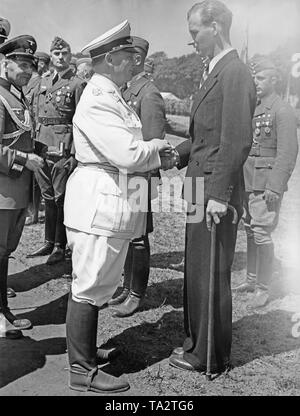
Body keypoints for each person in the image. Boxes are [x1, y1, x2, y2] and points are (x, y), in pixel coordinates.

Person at [63, 20, 172, 393]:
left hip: (107, 200)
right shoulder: (98, 99)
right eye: (128, 57)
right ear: (111, 59)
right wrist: (159, 150)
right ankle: (82, 370)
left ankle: (87, 356)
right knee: (90, 285)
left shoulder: (111, 95)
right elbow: (128, 153)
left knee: (98, 284)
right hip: (98, 200)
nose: (134, 63)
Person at [167, 0, 256, 374]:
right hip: (199, 186)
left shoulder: (234, 72)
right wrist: (177, 154)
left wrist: (219, 195)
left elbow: (235, 140)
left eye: (195, 34)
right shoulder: (215, 71)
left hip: (213, 192)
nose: (193, 42)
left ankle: (210, 355)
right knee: (198, 269)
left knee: (212, 272)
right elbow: (206, 136)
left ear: (215, 26)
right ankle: (196, 343)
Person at [233, 57, 298, 308]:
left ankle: (263, 287)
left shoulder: (282, 110)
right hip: (249, 181)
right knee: (251, 229)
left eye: (260, 78)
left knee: (261, 233)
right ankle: (251, 278)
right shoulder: (256, 108)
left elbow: (287, 153)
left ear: (274, 80)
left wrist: (275, 186)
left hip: (266, 185)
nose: (256, 83)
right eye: (254, 78)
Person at [108, 36, 166, 317]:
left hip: (141, 175)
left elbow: (154, 141)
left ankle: (135, 294)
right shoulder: (127, 89)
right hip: (126, 172)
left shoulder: (149, 93)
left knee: (139, 237)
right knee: (128, 233)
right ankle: (126, 287)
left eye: (126, 56)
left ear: (137, 59)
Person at [0, 35, 44, 339]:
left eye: (31, 64)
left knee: (4, 254)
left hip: (15, 193)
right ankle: (2, 315)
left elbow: (20, 136)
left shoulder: (17, 95)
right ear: (6, 62)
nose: (27, 69)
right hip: (2, 192)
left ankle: (2, 308)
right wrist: (24, 160)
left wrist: (42, 152)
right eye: (21, 63)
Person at [27, 37, 85, 265]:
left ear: (70, 57)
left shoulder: (77, 84)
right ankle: (48, 241)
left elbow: (81, 122)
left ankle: (61, 246)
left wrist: (73, 154)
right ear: (51, 56)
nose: (60, 57)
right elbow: (33, 114)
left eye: (65, 54)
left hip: (62, 147)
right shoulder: (42, 81)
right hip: (41, 145)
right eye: (56, 53)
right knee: (47, 196)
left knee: (62, 199)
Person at [23, 52, 50, 226]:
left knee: (38, 176)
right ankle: (31, 211)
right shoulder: (26, 83)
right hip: (28, 132)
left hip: (37, 133)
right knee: (29, 174)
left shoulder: (42, 82)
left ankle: (35, 212)